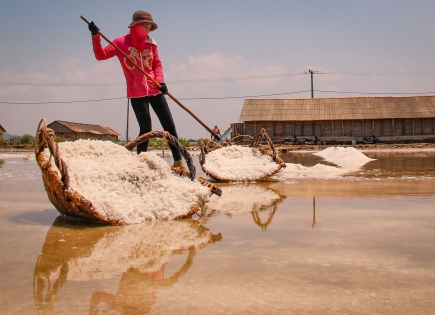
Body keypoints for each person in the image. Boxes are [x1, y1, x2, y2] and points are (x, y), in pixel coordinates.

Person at [87, 10, 186, 170]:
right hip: (136, 92)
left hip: (155, 89)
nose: (147, 31)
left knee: (169, 125)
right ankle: (141, 163)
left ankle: (179, 162)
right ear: (136, 26)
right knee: (146, 127)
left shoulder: (151, 44)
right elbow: (101, 55)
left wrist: (160, 81)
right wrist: (95, 36)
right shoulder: (121, 43)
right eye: (145, 27)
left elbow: (157, 64)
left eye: (149, 28)